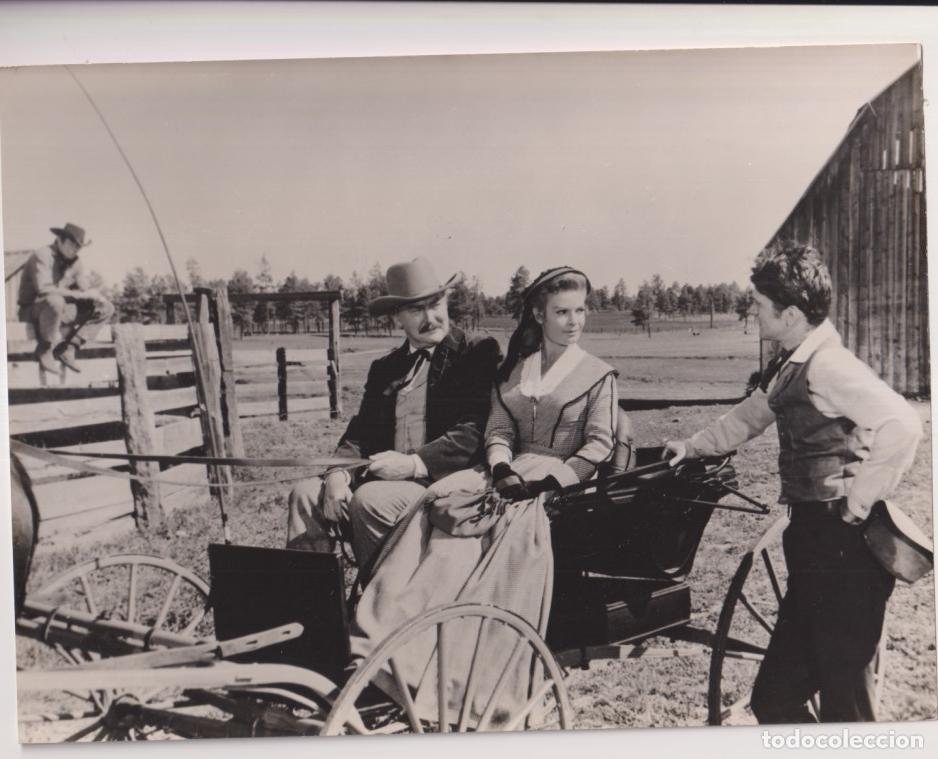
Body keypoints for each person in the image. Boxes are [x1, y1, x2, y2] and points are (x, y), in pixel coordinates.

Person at [663, 242, 922, 724]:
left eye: (760, 306)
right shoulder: (794, 362)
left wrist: (859, 502)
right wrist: (694, 446)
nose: (753, 314)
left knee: (848, 709)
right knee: (775, 699)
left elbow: (903, 425)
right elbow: (751, 415)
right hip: (813, 544)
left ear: (793, 313)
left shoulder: (830, 365)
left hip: (843, 549)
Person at [351, 266, 618, 724]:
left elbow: (600, 444)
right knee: (438, 510)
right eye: (561, 312)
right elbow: (496, 428)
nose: (573, 322)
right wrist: (498, 465)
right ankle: (398, 649)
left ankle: (462, 677)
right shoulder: (517, 371)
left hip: (556, 481)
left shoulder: (597, 374)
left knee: (502, 543)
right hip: (501, 471)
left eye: (580, 311)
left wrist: (551, 481)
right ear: (539, 315)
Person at [285, 257, 502, 574]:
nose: (430, 318)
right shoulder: (386, 367)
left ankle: (382, 605)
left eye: (435, 304)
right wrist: (338, 474)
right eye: (416, 310)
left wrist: (413, 463)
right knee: (304, 495)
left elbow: (475, 428)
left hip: (447, 481)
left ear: (446, 301)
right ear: (397, 316)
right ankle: (314, 613)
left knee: (370, 498)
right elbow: (361, 433)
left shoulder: (476, 351)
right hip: (386, 481)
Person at [16, 223, 114, 373]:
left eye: (78, 246)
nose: (75, 249)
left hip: (58, 311)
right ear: (60, 240)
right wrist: (82, 294)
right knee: (55, 300)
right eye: (72, 244)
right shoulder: (43, 255)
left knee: (106, 307)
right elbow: (44, 290)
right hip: (32, 311)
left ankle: (69, 348)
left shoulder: (76, 262)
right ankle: (45, 349)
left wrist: (95, 295)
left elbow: (84, 287)